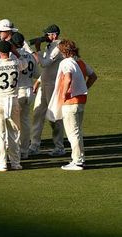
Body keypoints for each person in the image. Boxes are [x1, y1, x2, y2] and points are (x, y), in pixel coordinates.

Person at [48, 40, 97, 170]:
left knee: (72, 133)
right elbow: (93, 76)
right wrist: (83, 88)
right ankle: (80, 159)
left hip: (70, 102)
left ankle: (78, 161)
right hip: (81, 101)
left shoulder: (66, 62)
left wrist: (64, 94)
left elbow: (68, 78)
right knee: (77, 132)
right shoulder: (80, 62)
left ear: (64, 51)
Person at [0, 41, 27, 171]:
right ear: (9, 50)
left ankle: (2, 163)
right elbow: (24, 62)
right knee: (14, 133)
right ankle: (15, 163)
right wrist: (15, 51)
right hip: (13, 100)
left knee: (0, 134)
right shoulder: (16, 63)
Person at [29, 24, 65, 156]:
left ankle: (59, 147)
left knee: (54, 116)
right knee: (37, 114)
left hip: (53, 86)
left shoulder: (59, 46)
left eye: (47, 35)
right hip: (45, 84)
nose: (45, 37)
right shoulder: (50, 46)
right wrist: (38, 81)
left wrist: (37, 49)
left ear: (54, 35)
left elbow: (44, 63)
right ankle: (34, 145)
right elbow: (45, 68)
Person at [11, 32, 39, 159]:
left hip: (18, 92)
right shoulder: (30, 56)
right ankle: (24, 151)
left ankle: (15, 150)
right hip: (29, 91)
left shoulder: (12, 56)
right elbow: (37, 74)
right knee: (26, 122)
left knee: (14, 123)